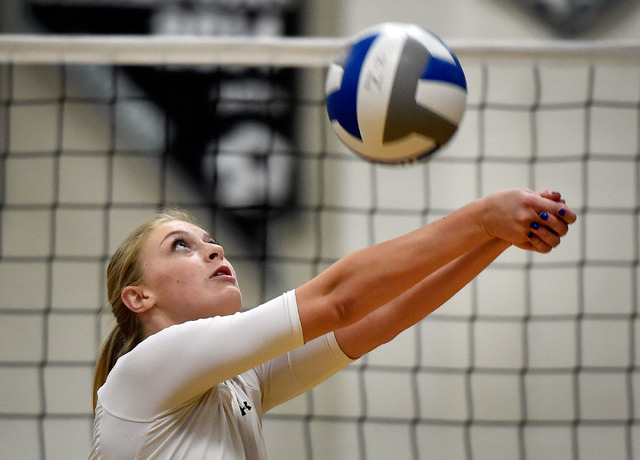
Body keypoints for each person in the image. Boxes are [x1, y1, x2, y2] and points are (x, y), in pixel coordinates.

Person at [89, 188, 576, 459]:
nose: (214, 250)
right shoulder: (146, 367)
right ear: (139, 297)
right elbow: (339, 299)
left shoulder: (238, 381)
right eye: (181, 245)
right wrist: (482, 216)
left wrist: (499, 237)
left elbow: (378, 319)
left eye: (209, 240)